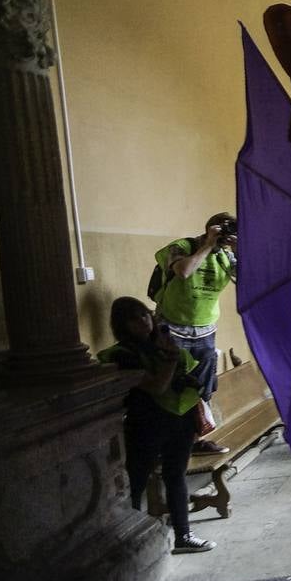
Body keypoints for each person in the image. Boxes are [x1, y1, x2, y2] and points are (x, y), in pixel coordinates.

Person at [98, 297, 216, 554]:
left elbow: (190, 378)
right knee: (136, 480)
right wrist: (171, 359)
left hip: (179, 421)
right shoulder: (121, 355)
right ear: (122, 325)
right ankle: (131, 541)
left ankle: (183, 535)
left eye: (144, 315)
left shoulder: (164, 346)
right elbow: (156, 386)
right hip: (146, 424)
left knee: (176, 476)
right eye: (133, 319)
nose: (142, 322)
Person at [153, 212, 238, 454]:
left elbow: (247, 279)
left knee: (202, 389)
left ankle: (194, 441)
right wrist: (208, 244)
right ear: (211, 228)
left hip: (205, 331)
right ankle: (169, 443)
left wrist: (241, 249)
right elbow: (184, 271)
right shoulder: (181, 247)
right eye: (223, 229)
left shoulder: (225, 255)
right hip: (172, 329)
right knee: (173, 387)